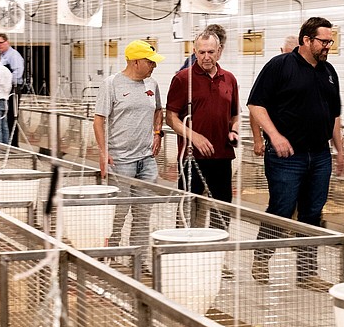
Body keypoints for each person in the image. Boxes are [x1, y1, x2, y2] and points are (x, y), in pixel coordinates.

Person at [247, 17, 344, 291]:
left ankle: (306, 273)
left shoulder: (329, 72)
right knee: (282, 208)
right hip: (287, 157)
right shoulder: (280, 66)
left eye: (330, 41)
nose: (328, 46)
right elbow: (256, 105)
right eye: (323, 41)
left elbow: (334, 115)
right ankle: (262, 256)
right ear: (306, 40)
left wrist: (340, 150)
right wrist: (274, 136)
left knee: (312, 213)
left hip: (320, 155)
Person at [94, 40, 164, 252]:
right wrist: (103, 151)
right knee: (118, 212)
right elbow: (99, 120)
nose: (154, 66)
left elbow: (158, 110)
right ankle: (110, 255)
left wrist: (157, 132)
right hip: (120, 160)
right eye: (150, 62)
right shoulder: (111, 84)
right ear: (136, 62)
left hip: (147, 159)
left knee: (143, 213)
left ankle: (138, 259)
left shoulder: (152, 84)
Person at [166, 30, 239, 229]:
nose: (206, 57)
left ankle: (216, 253)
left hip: (222, 157)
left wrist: (234, 130)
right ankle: (183, 252)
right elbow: (170, 117)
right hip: (192, 157)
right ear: (195, 52)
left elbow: (235, 114)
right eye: (202, 52)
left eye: (211, 52)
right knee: (188, 209)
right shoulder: (183, 79)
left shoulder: (229, 79)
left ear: (219, 51)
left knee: (221, 210)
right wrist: (194, 137)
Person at [252, 35, 301, 157]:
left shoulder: (306, 73)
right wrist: (258, 140)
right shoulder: (273, 71)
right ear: (281, 50)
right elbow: (255, 106)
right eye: (287, 54)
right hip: (277, 147)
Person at [0, 33, 24, 147]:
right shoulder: (1, 56)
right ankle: (7, 142)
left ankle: (14, 143)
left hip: (13, 89)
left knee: (12, 115)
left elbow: (17, 73)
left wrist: (6, 82)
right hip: (5, 89)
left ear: (7, 42)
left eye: (0, 43)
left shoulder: (13, 55)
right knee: (6, 115)